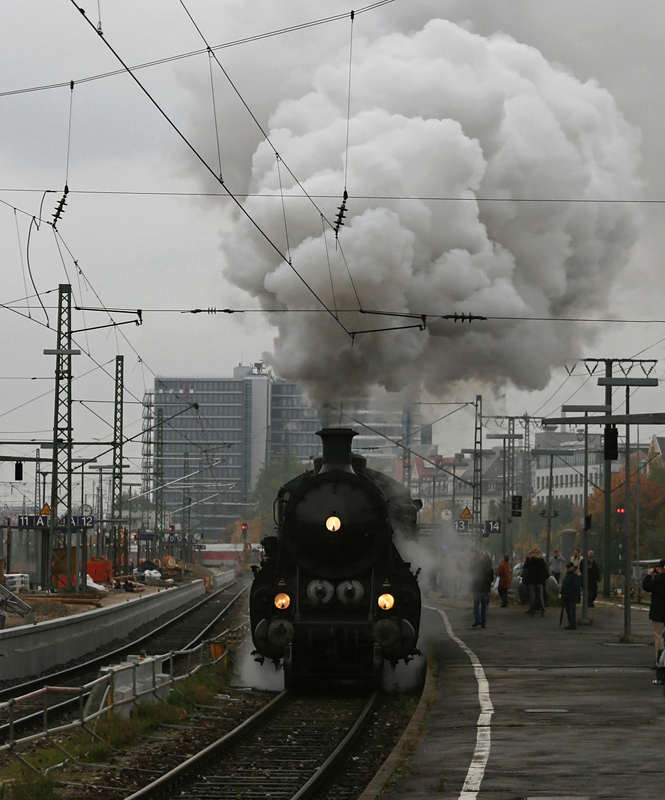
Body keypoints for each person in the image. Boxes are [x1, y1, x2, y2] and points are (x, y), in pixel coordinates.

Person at [642, 559, 665, 667]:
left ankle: (660, 661)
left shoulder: (658, 580)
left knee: (659, 636)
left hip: (658, 612)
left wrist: (649, 575)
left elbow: (646, 586)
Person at [470, 550, 494, 628]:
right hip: (486, 589)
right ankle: (483, 622)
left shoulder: (476, 569)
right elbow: (492, 578)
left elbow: (471, 574)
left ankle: (478, 619)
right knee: (484, 606)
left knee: (476, 605)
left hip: (477, 588)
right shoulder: (489, 569)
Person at [523, 548, 549, 616]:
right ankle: (532, 610)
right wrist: (530, 559)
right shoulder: (530, 560)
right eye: (533, 553)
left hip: (539, 581)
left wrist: (538, 559)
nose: (534, 554)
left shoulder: (541, 560)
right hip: (531, 581)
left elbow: (543, 567)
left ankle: (542, 610)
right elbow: (525, 566)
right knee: (532, 597)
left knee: (540, 597)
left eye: (536, 553)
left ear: (538, 554)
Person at [560, 561, 581, 629]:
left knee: (571, 611)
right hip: (566, 596)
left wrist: (567, 593)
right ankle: (570, 623)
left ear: (572, 567)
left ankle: (572, 624)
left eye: (569, 567)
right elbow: (564, 585)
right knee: (568, 611)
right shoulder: (567, 575)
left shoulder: (574, 576)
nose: (568, 568)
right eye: (567, 567)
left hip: (571, 596)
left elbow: (574, 587)